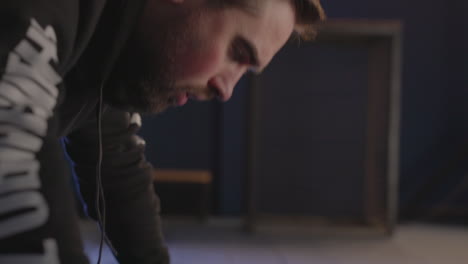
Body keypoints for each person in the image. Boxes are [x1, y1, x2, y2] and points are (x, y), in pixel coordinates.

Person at [0, 0, 325, 263]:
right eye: (236, 53)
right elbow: (11, 132)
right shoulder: (47, 9)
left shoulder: (106, 47)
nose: (227, 90)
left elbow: (117, 163)